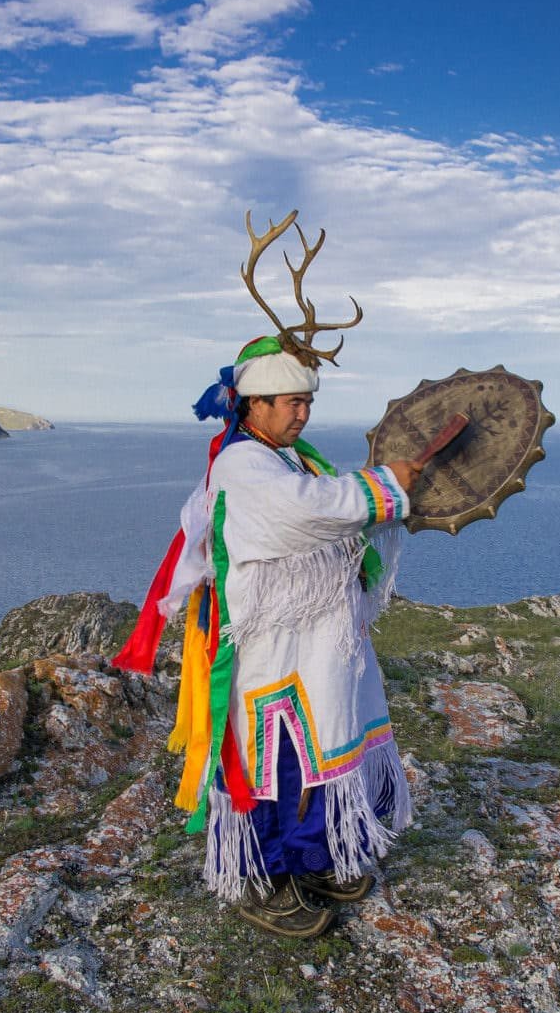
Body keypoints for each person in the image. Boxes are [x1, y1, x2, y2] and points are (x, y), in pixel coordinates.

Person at [114, 214, 421, 938]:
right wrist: (387, 486)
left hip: (314, 635)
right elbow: (310, 512)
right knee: (273, 758)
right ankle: (259, 879)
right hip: (269, 646)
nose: (302, 412)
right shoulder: (245, 466)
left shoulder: (287, 454)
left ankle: (314, 858)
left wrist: (385, 490)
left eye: (307, 401)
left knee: (324, 746)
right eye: (291, 401)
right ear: (253, 403)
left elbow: (324, 508)